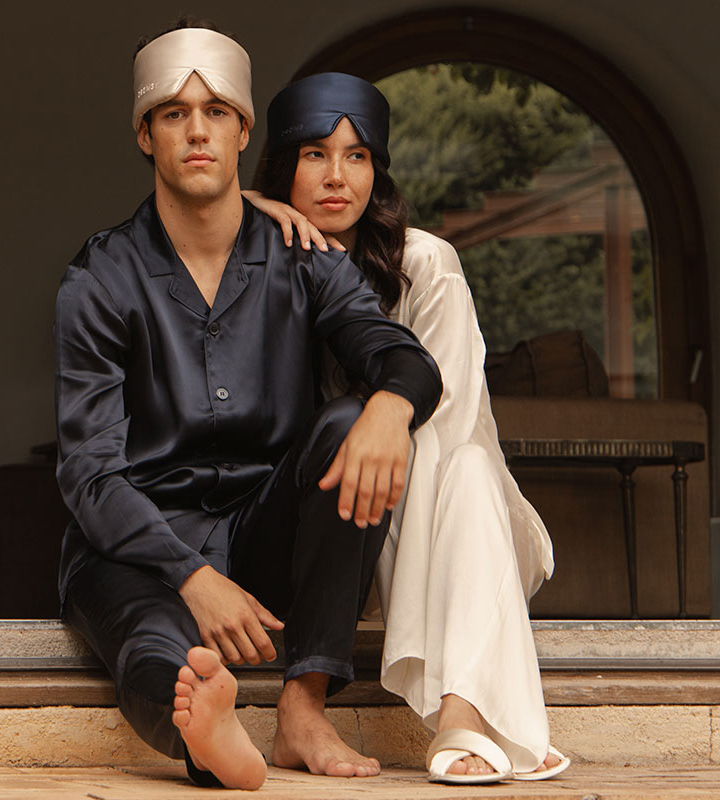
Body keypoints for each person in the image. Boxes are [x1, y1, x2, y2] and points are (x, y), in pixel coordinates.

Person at [54, 23, 442, 790]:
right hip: (140, 541)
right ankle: (204, 732)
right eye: (173, 113)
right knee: (153, 640)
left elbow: (398, 355)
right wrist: (193, 575)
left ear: (243, 131)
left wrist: (391, 408)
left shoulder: (306, 258)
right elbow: (89, 474)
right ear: (144, 133)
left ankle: (304, 708)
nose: (197, 129)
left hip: (269, 538)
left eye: (216, 112)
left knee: (349, 424)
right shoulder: (100, 278)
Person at [243, 71, 571, 784]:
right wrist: (245, 208)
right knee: (349, 431)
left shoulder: (425, 263)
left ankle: (463, 713)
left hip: (453, 520)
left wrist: (385, 412)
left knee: (465, 466)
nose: (338, 178)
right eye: (315, 156)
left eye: (358, 156)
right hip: (324, 532)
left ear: (378, 171)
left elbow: (447, 432)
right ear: (281, 169)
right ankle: (496, 721)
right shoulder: (259, 264)